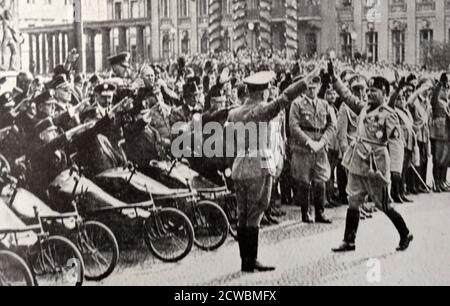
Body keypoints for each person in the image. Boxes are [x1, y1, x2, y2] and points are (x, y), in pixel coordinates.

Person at [227, 65, 321, 273]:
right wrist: (308, 78)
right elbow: (286, 97)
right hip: (259, 166)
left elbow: (229, 142)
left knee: (243, 215)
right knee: (256, 212)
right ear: (263, 91)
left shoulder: (233, 113)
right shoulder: (261, 110)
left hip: (239, 166)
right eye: (268, 89)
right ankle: (252, 260)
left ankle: (246, 260)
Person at [329, 61, 414, 253]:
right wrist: (335, 80)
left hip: (376, 166)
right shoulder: (364, 108)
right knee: (353, 200)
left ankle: (405, 233)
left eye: (374, 91)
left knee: (384, 204)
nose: (369, 94)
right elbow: (348, 97)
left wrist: (395, 171)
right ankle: (349, 240)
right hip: (357, 162)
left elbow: (395, 142)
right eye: (369, 90)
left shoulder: (389, 115)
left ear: (384, 94)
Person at [289, 75, 336, 224]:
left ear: (320, 86)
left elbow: (331, 125)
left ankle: (320, 212)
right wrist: (308, 142)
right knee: (304, 180)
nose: (312, 89)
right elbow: (294, 127)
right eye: (309, 85)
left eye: (315, 85)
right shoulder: (297, 104)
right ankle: (305, 212)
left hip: (320, 148)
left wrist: (322, 142)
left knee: (321, 179)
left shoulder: (324, 105)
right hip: (304, 149)